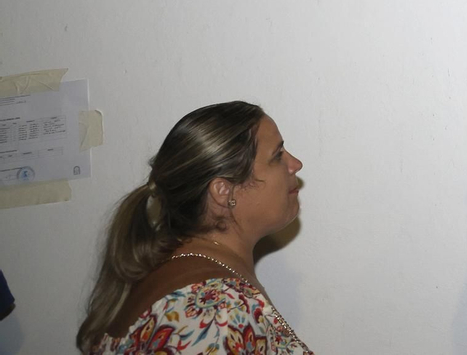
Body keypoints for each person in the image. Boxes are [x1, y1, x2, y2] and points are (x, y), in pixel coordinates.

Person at [77, 101, 311, 354]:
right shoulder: (214, 312)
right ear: (223, 191)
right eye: (277, 156)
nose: (295, 164)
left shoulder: (187, 281)